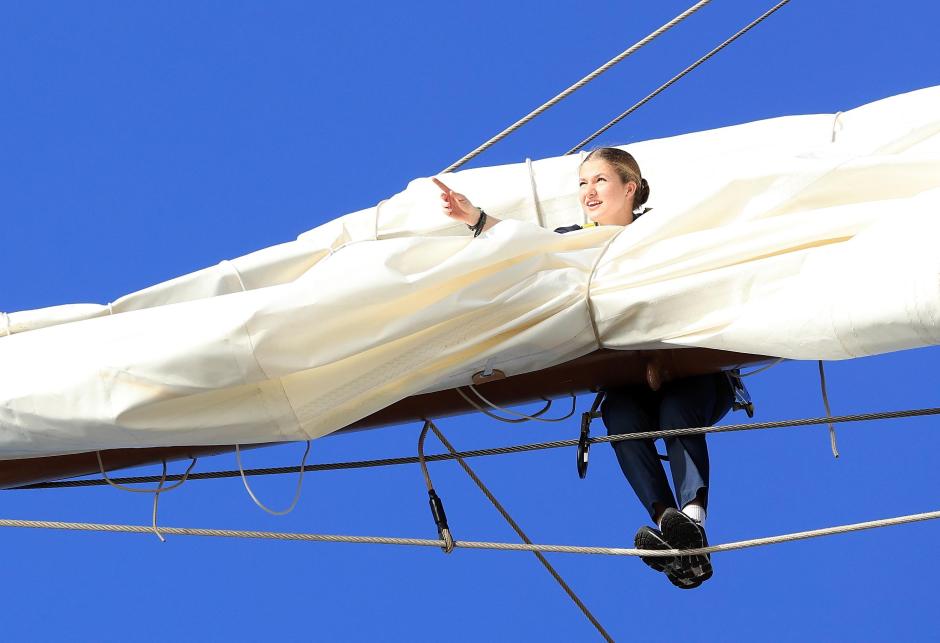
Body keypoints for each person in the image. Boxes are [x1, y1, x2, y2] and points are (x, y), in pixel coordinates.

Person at [434, 147, 735, 589]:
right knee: (620, 416)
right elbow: (527, 246)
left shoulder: (663, 229)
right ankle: (668, 526)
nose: (588, 191)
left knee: (676, 411)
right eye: (582, 183)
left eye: (599, 181)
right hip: (629, 379)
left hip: (693, 373)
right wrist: (475, 218)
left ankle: (692, 519)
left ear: (630, 188)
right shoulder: (575, 241)